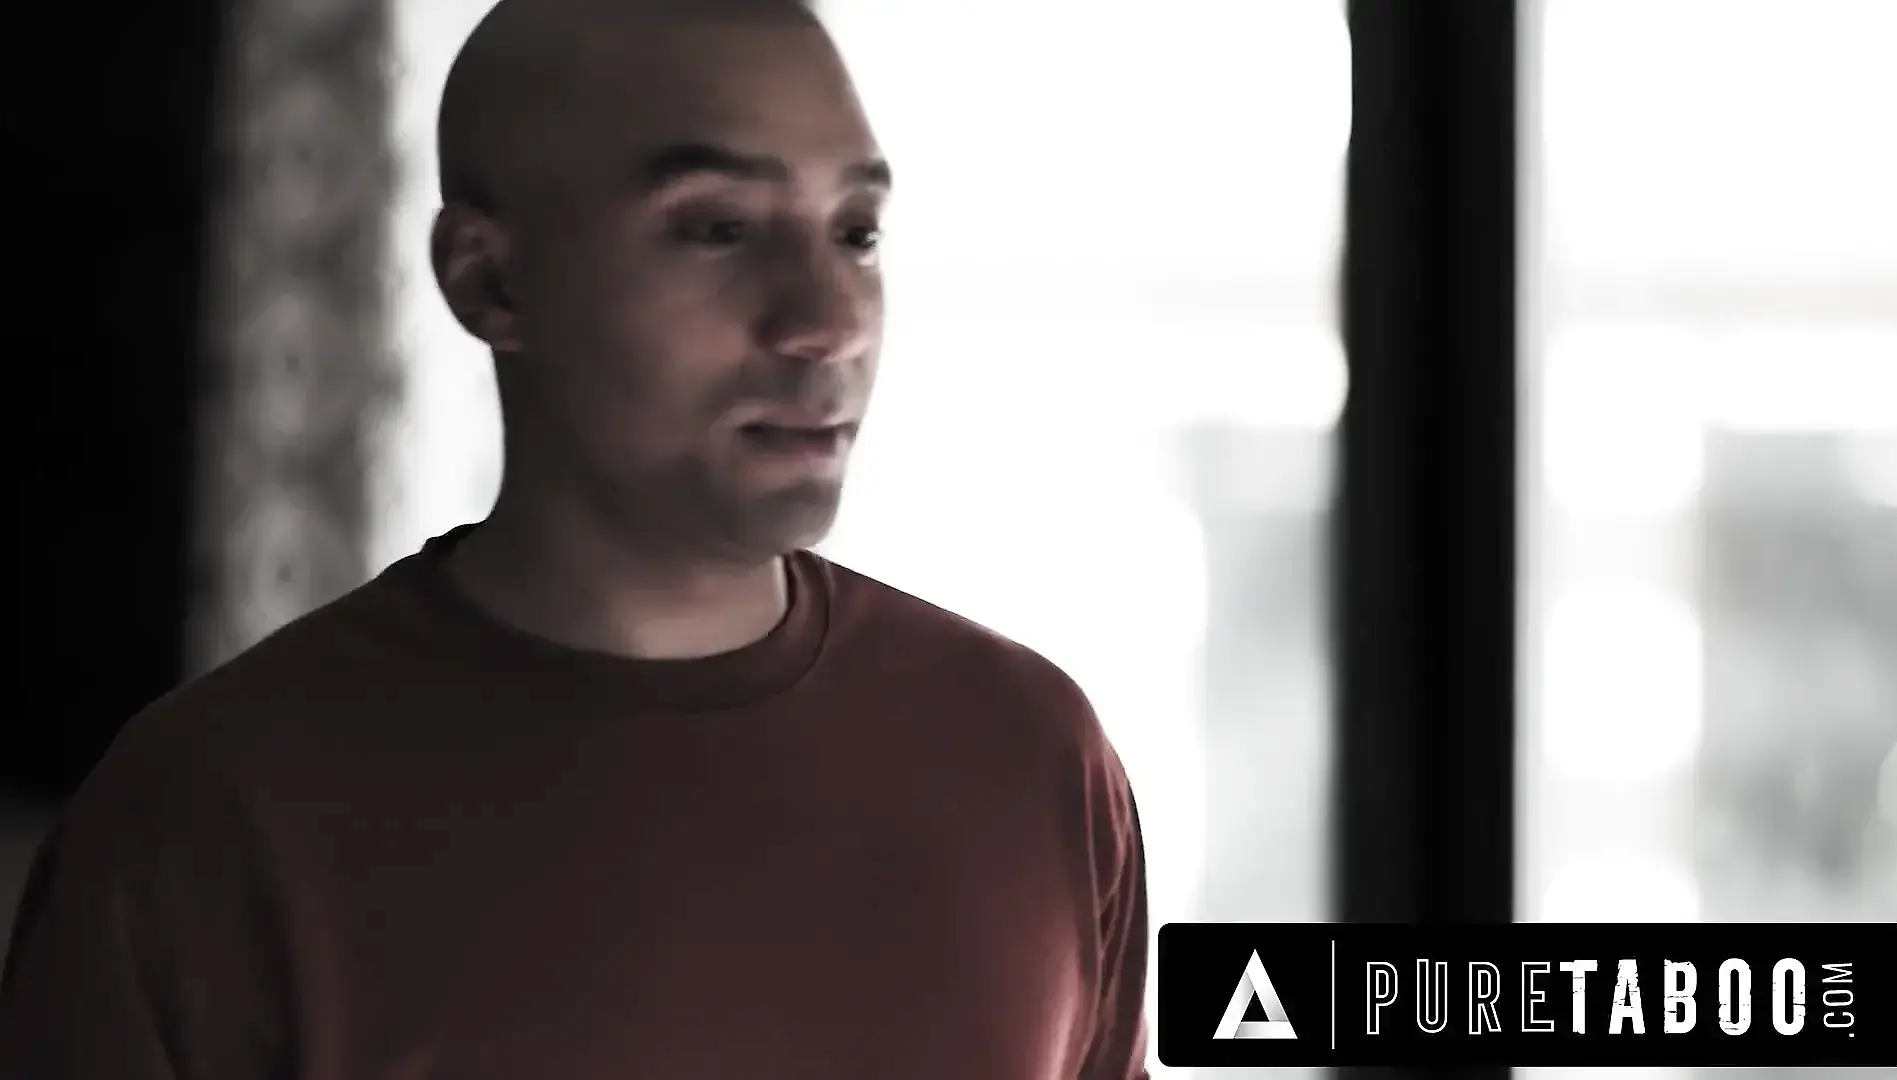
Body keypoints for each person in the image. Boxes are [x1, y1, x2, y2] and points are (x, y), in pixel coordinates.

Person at [0, 1, 1152, 1077]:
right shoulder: (209, 825)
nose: (827, 321)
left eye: (855, 232)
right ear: (491, 280)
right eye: (718, 228)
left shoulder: (1031, 759)